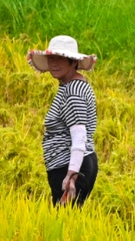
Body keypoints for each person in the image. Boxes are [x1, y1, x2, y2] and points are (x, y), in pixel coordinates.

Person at [27, 35, 98, 206]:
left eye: (61, 59)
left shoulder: (73, 92)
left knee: (63, 224)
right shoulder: (71, 85)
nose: (54, 64)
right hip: (72, 165)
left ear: (73, 62)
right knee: (67, 221)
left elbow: (79, 136)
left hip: (70, 167)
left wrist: (71, 176)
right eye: (51, 59)